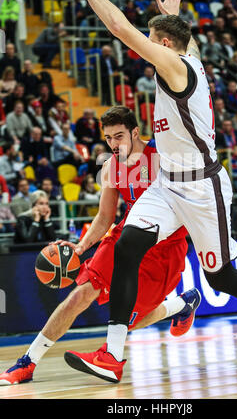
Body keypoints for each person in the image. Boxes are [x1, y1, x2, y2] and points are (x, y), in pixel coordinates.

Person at [64, 0, 237, 382]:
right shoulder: (184, 54)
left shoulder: (177, 67)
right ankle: (112, 356)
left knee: (222, 276)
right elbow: (179, 35)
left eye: (153, 41)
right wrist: (171, 12)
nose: (147, 48)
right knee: (126, 249)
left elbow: (120, 27)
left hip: (203, 189)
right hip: (167, 185)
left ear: (167, 45)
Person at [0, 106, 200, 385]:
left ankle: (180, 304)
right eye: (108, 138)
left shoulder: (162, 158)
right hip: (125, 234)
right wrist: (81, 247)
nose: (114, 144)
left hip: (164, 245)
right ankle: (28, 362)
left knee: (130, 320)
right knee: (79, 295)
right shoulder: (110, 166)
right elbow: (105, 216)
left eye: (119, 136)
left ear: (134, 132)